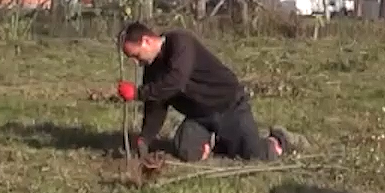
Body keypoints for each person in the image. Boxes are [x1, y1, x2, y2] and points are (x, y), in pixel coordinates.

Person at [117, 22, 298, 161]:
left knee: (255, 154)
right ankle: (215, 140)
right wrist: (144, 139)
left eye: (135, 55)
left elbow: (176, 81)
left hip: (228, 106)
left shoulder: (180, 42)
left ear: (146, 41)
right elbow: (156, 103)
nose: (137, 62)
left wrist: (137, 93)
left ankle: (279, 139)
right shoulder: (151, 68)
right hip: (200, 116)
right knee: (186, 151)